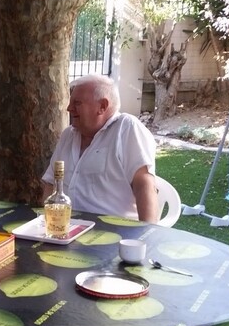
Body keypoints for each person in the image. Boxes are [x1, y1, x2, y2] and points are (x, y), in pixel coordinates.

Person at [41, 74, 159, 222]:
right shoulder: (68, 135)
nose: (69, 108)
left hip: (114, 232)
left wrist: (146, 234)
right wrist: (46, 222)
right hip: (66, 229)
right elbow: (50, 183)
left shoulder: (126, 128)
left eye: (77, 103)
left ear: (102, 106)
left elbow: (144, 185)